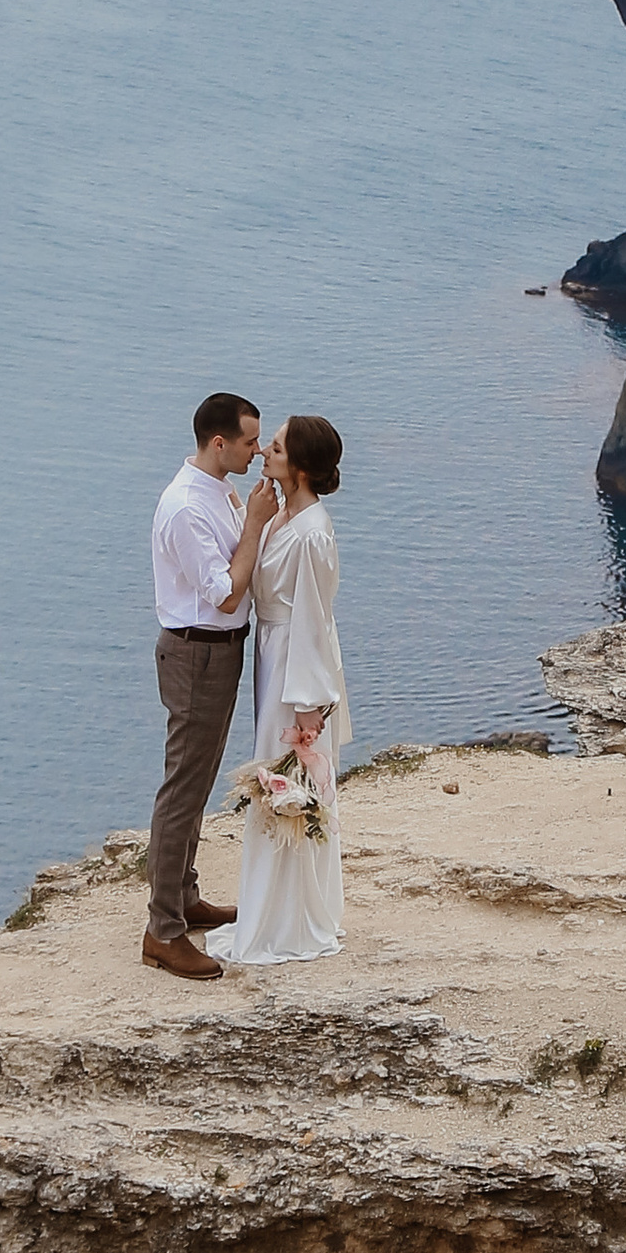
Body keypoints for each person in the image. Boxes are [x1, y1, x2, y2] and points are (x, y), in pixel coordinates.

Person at [144, 391, 276, 982]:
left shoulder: (216, 491)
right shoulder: (185, 508)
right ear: (218, 442)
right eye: (250, 441)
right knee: (182, 789)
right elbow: (224, 591)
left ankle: (184, 897)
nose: (257, 449)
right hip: (196, 652)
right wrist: (253, 522)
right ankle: (162, 930)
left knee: (197, 783)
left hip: (220, 652)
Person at [230, 414, 351, 968]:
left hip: (292, 665)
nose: (263, 453)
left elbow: (311, 619)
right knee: (271, 774)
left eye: (274, 448)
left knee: (286, 775)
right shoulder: (283, 515)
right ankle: (272, 908)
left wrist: (308, 710)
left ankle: (290, 919)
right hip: (272, 652)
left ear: (298, 467)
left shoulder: (311, 532)